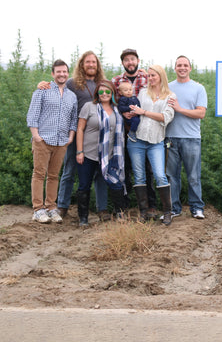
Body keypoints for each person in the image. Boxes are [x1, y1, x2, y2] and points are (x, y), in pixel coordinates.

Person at [44, 51, 109, 218]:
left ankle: (102, 209)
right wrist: (43, 85)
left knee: (100, 172)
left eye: (94, 62)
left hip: (97, 135)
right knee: (69, 169)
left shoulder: (102, 84)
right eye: (88, 62)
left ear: (97, 65)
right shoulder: (73, 83)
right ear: (82, 64)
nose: (91, 65)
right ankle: (63, 206)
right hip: (75, 133)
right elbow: (56, 89)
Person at [27, 60, 78, 223]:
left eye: (64, 71)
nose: (62, 74)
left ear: (67, 73)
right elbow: (32, 115)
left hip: (61, 141)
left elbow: (73, 119)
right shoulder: (42, 91)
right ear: (53, 74)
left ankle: (50, 207)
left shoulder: (72, 96)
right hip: (43, 140)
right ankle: (38, 209)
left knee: (54, 176)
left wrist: (70, 136)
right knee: (39, 174)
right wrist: (36, 136)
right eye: (58, 72)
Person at [111, 48, 158, 215]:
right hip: (124, 130)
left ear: (138, 60)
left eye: (133, 59)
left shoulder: (147, 78)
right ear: (123, 63)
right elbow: (110, 101)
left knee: (147, 167)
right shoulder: (116, 81)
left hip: (145, 128)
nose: (130, 62)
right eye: (126, 60)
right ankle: (124, 205)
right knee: (124, 167)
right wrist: (122, 112)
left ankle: (149, 205)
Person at [127, 65, 176, 225]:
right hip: (137, 140)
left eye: (153, 75)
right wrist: (132, 112)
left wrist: (144, 112)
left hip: (156, 141)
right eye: (148, 76)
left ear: (161, 76)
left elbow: (165, 117)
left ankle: (167, 212)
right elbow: (134, 109)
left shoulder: (170, 96)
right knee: (139, 175)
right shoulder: (142, 93)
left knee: (160, 175)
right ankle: (143, 212)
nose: (150, 78)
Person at [75, 81, 127, 226]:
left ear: (113, 93)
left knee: (116, 182)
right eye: (101, 91)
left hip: (110, 155)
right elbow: (80, 129)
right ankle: (83, 218)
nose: (104, 94)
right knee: (84, 185)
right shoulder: (89, 107)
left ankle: (120, 213)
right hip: (88, 154)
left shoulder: (117, 109)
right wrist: (79, 151)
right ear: (97, 93)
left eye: (108, 92)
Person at [164, 55, 208, 220]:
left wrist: (180, 109)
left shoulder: (198, 88)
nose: (182, 68)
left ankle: (197, 208)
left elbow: (201, 113)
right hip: (170, 138)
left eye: (185, 65)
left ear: (190, 68)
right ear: (174, 68)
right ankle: (174, 208)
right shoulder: (167, 88)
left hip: (191, 138)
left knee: (193, 176)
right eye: (179, 65)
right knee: (171, 176)